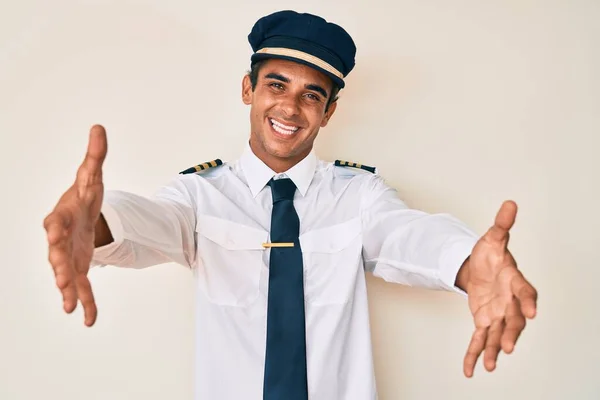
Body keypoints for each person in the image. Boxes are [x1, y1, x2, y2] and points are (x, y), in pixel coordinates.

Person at [43, 9, 538, 400]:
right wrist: (97, 221)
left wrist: (471, 265)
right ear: (248, 89)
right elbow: (151, 222)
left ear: (328, 112)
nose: (289, 107)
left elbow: (404, 235)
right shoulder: (199, 195)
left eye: (311, 95)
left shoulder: (357, 194)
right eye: (276, 84)